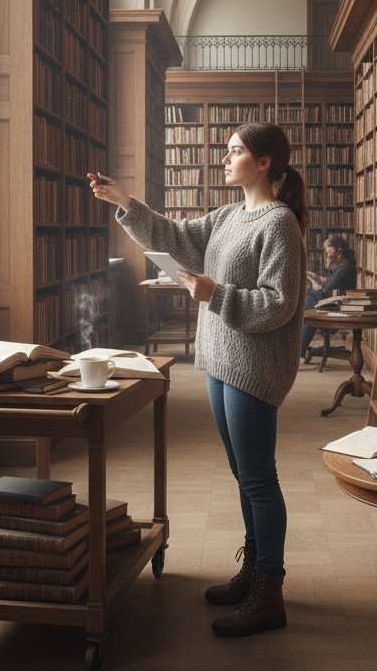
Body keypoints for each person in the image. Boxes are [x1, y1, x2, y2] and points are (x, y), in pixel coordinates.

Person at [87, 122, 307, 638]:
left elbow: (279, 303)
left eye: (235, 151)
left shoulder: (278, 225)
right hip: (221, 361)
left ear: (266, 162)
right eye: (227, 150)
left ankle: (269, 592)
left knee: (258, 478)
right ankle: (254, 571)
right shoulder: (230, 215)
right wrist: (126, 202)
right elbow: (177, 238)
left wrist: (216, 294)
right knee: (243, 475)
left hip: (254, 366)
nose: (225, 158)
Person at [301, 235, 357, 359]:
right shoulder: (344, 266)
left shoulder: (345, 269)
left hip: (343, 308)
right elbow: (330, 283)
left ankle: (299, 349)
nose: (326, 256)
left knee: (311, 303)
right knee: (311, 303)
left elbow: (324, 290)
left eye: (328, 253)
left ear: (339, 252)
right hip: (340, 303)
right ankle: (300, 348)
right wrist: (315, 276)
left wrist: (311, 280)